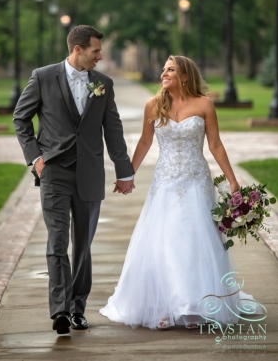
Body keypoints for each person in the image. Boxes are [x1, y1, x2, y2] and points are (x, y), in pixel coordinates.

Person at [100, 55, 261, 330]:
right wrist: (128, 175)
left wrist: (233, 182)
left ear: (185, 76)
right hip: (165, 183)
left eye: (170, 70)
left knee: (193, 242)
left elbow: (216, 145)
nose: (164, 74)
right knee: (165, 241)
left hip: (196, 182)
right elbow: (144, 142)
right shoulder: (153, 105)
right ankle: (163, 306)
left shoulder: (204, 105)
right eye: (163, 69)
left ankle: (195, 305)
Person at [13, 24, 135, 335]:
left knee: (82, 246)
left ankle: (78, 307)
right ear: (77, 49)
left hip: (90, 175)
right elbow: (21, 118)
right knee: (57, 243)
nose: (100, 55)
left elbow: (114, 129)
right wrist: (36, 157)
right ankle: (60, 311)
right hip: (53, 171)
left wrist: (124, 170)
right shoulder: (43, 77)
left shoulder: (103, 84)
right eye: (95, 50)